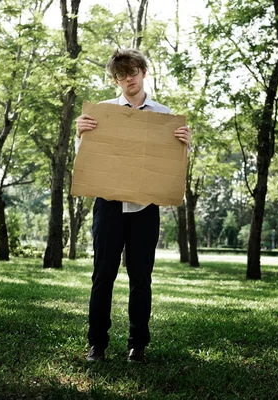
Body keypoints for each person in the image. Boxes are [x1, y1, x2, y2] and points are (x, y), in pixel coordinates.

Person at [75, 48, 192, 362]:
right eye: (122, 75)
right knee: (103, 277)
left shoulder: (164, 117)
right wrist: (80, 134)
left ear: (143, 72)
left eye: (134, 72)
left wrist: (184, 146)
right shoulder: (102, 113)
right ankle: (96, 345)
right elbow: (87, 160)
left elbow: (170, 166)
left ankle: (137, 345)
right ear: (116, 79)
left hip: (144, 210)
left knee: (141, 279)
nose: (129, 79)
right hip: (109, 207)